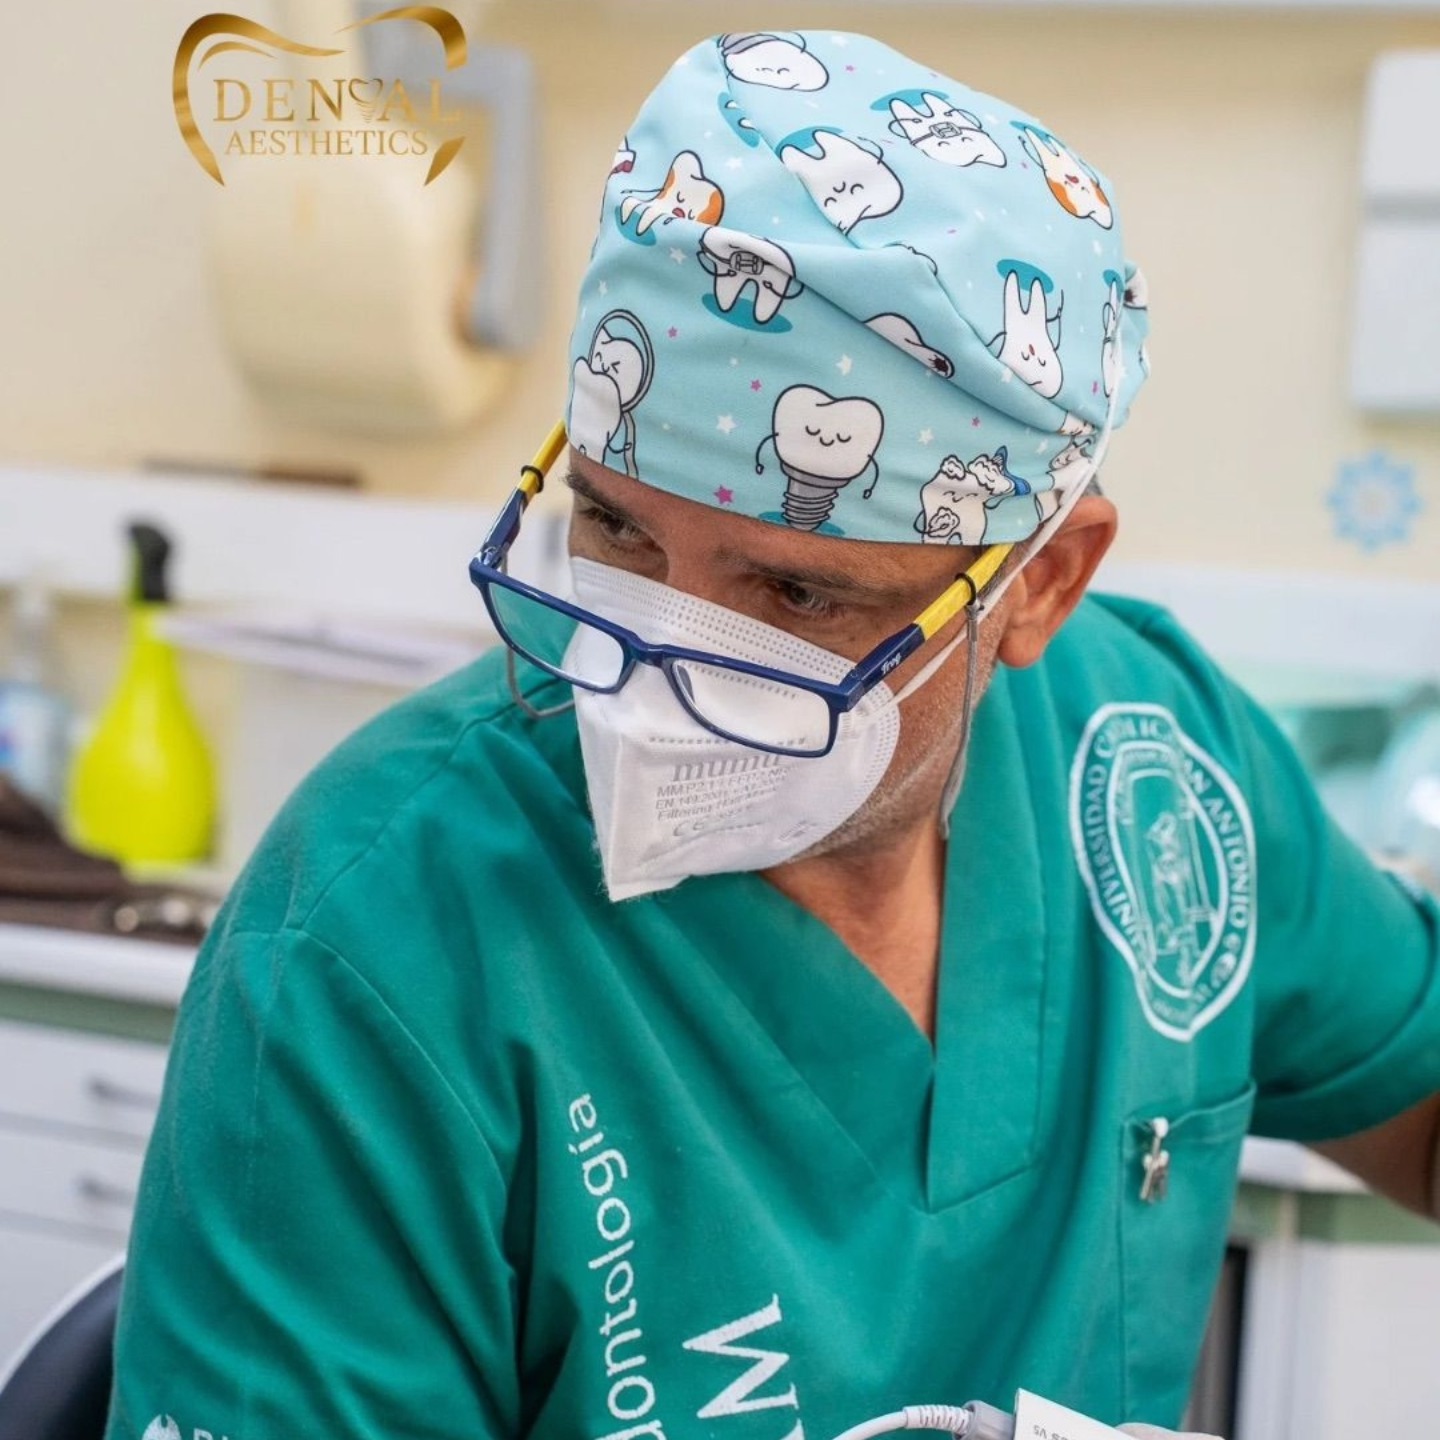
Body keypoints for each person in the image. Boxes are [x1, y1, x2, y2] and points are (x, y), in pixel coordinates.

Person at [104, 32, 1440, 1440]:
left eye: (797, 596)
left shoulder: (1143, 755)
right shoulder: (381, 934)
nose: (660, 666)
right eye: (616, 532)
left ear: (1041, 584)